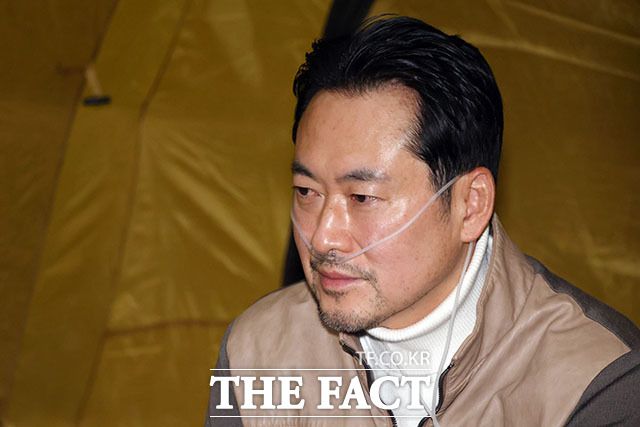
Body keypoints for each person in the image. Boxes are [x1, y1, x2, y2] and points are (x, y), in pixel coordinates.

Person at [205, 16, 639, 426]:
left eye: (362, 197)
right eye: (306, 192)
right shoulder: (258, 350)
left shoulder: (599, 381)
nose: (322, 237)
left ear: (471, 204)